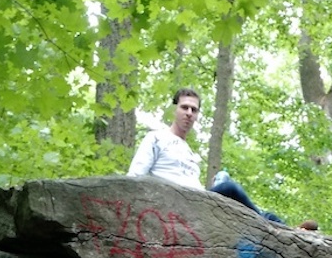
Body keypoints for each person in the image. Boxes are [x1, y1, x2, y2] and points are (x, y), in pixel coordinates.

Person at [128, 87, 318, 229]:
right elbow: (135, 177)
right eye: (184, 107)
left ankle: (291, 231)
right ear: (174, 110)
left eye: (194, 110)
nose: (189, 113)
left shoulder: (189, 152)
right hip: (176, 205)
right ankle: (278, 229)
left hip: (198, 203)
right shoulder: (156, 138)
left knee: (236, 190)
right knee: (229, 187)